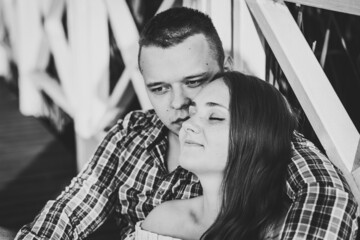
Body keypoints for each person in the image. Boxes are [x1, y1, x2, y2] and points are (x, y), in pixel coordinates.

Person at [15, 7, 358, 240]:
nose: (178, 105)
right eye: (159, 88)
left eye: (194, 82)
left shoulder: (252, 132)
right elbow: (72, 208)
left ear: (226, 66)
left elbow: (326, 193)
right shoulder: (130, 133)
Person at [126, 71, 297, 240]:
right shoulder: (164, 221)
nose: (188, 125)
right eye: (192, 113)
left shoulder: (289, 229)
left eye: (214, 117)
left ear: (258, 135)